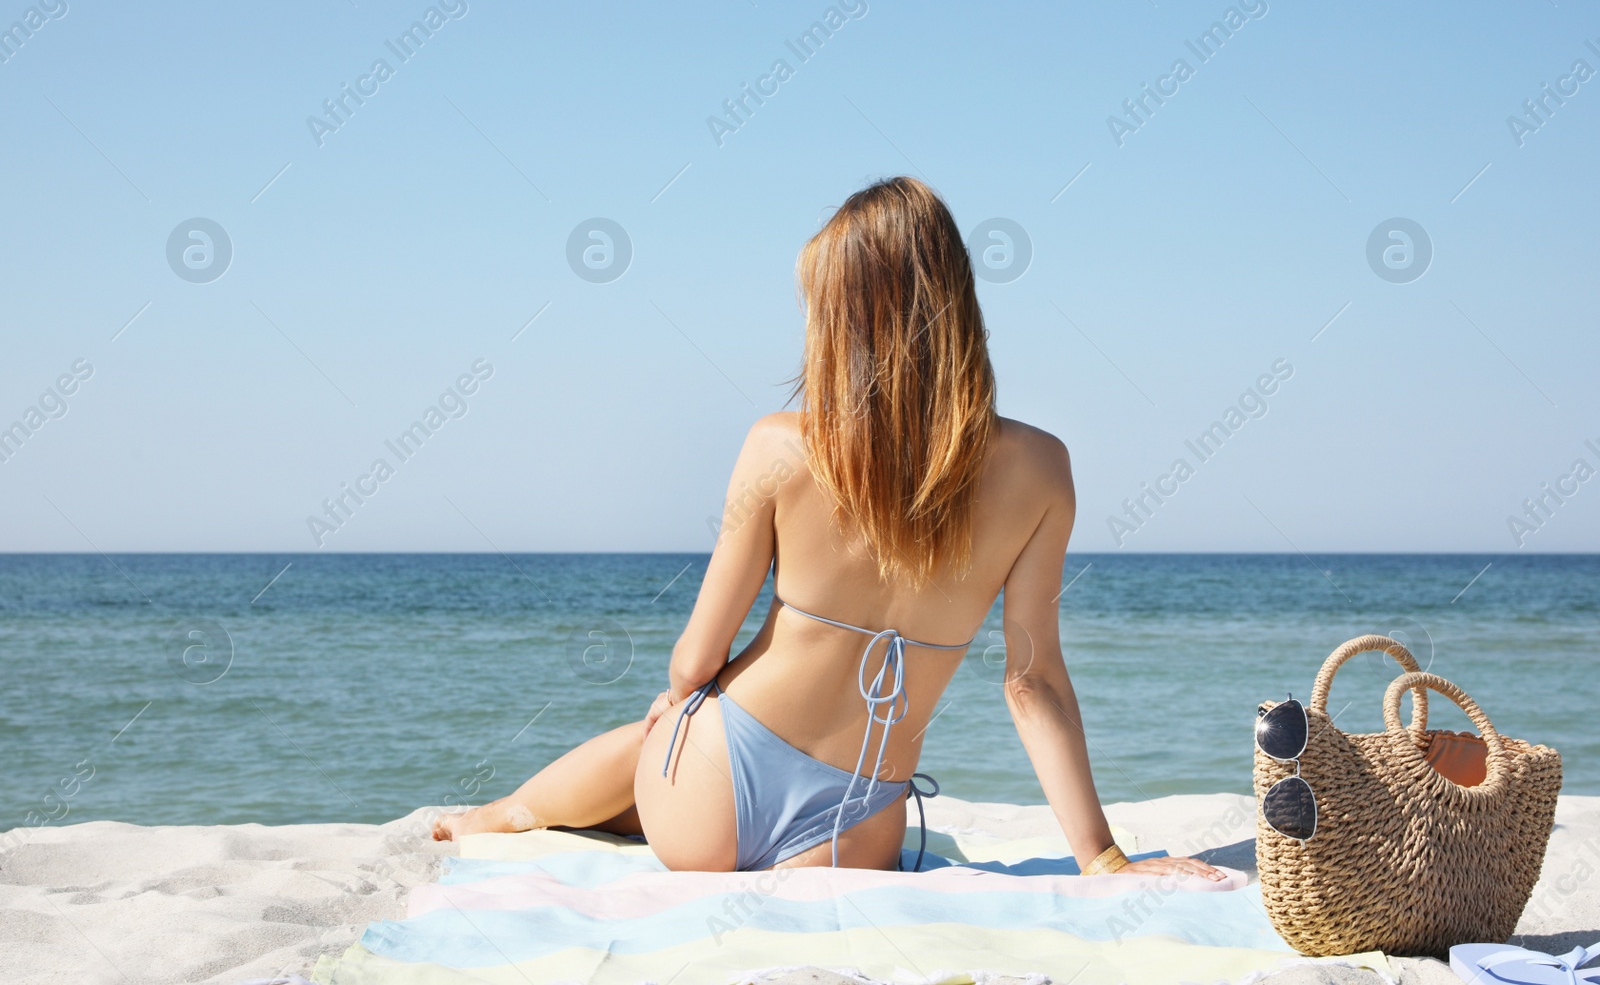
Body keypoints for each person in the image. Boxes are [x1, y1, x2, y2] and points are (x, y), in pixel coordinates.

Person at [432, 177, 1222, 881]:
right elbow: (1032, 680)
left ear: (849, 318)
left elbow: (698, 656)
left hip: (708, 797)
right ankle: (534, 809)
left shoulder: (780, 446)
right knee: (672, 747)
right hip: (851, 828)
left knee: (664, 729)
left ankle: (505, 813)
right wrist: (1103, 857)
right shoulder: (1042, 469)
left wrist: (674, 705)